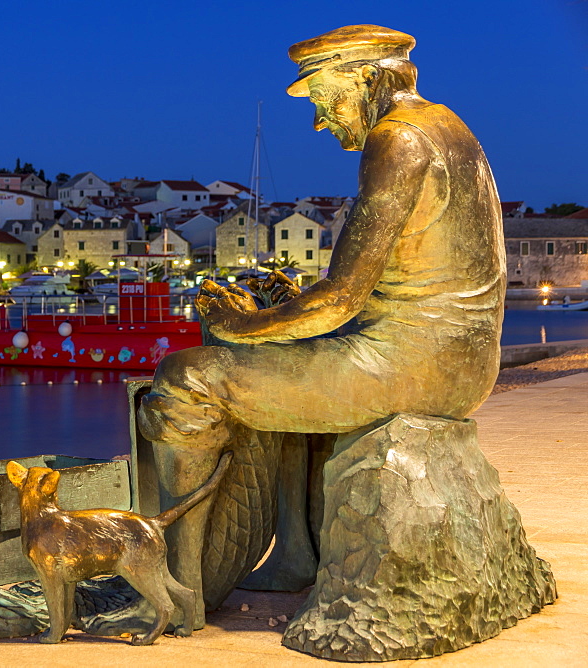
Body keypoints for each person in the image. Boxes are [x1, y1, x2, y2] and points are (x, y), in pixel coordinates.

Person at [137, 24, 506, 626]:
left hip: (412, 364)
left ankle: (180, 595)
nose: (319, 121)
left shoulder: (398, 140)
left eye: (321, 99)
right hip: (462, 360)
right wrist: (288, 310)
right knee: (291, 361)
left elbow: (340, 299)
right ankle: (299, 555)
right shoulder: (449, 127)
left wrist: (240, 325)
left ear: (362, 77)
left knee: (187, 376)